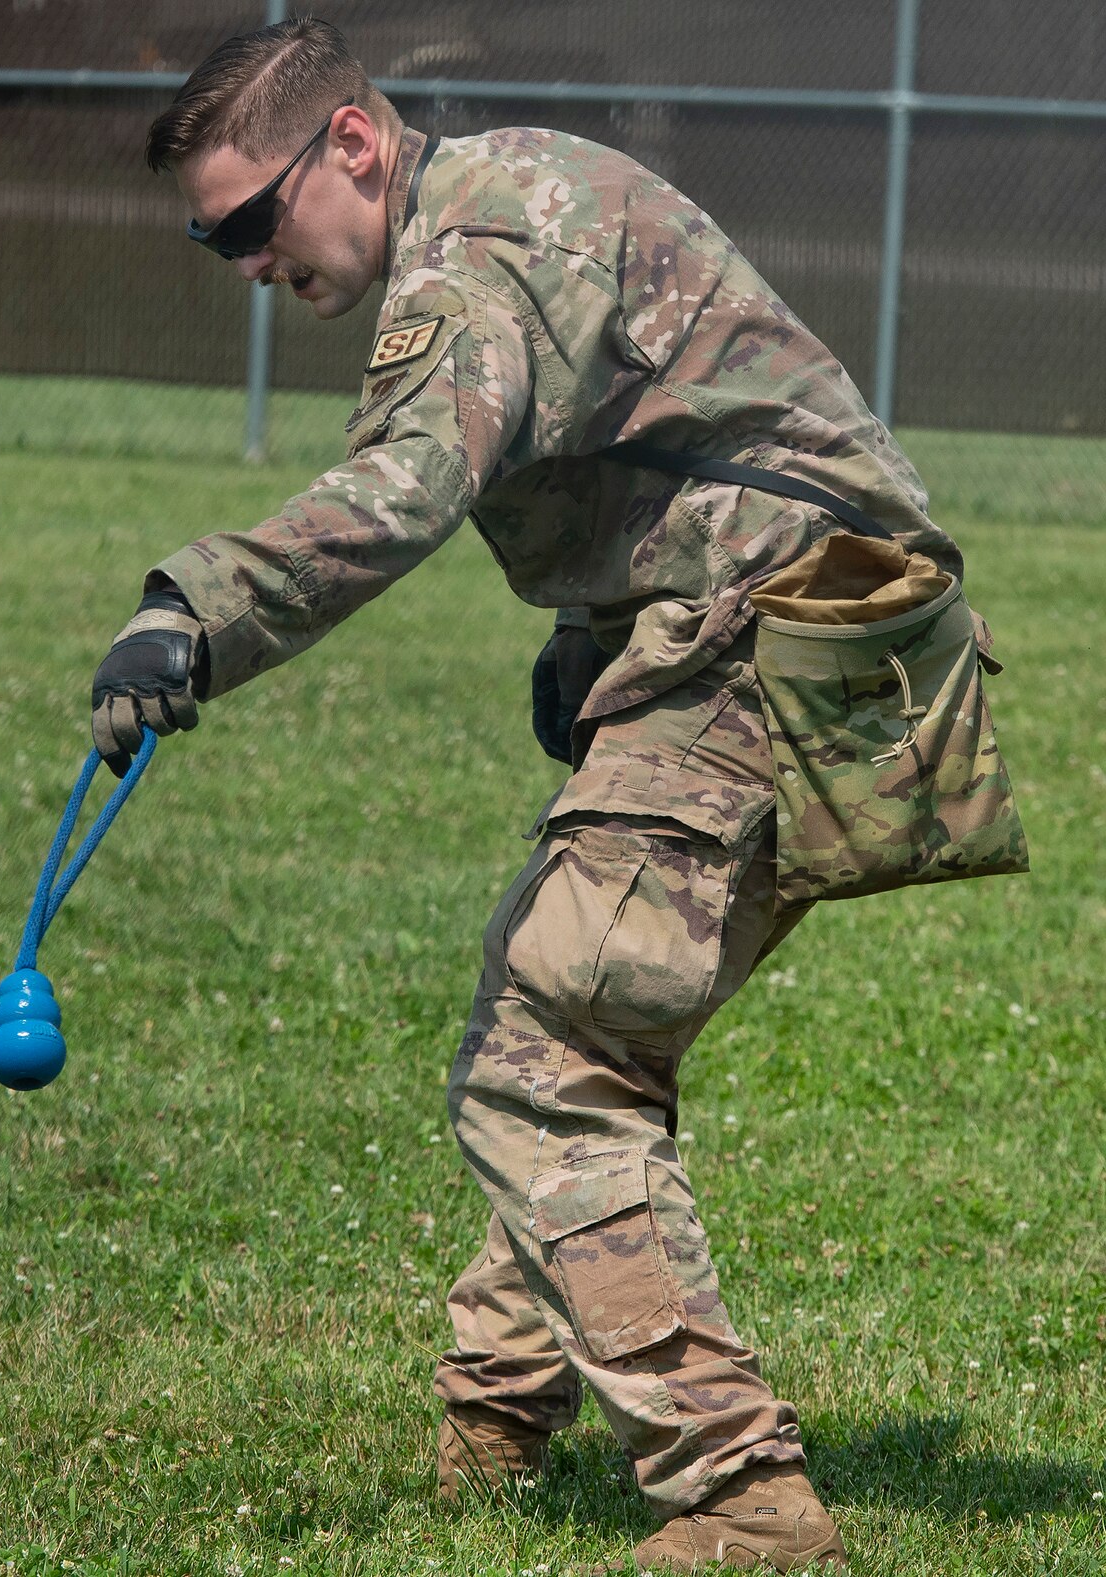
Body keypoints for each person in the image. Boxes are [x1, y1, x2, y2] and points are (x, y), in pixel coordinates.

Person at [89, 18, 979, 1572]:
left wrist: (196, 608)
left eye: (251, 221)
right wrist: (591, 633)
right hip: (855, 633)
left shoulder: (475, 250)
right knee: (585, 1021)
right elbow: (672, 424)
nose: (244, 263)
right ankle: (498, 1412)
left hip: (774, 627)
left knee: (548, 1055)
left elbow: (407, 485)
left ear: (350, 146)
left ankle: (741, 1501)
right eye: (210, 238)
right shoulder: (518, 203)